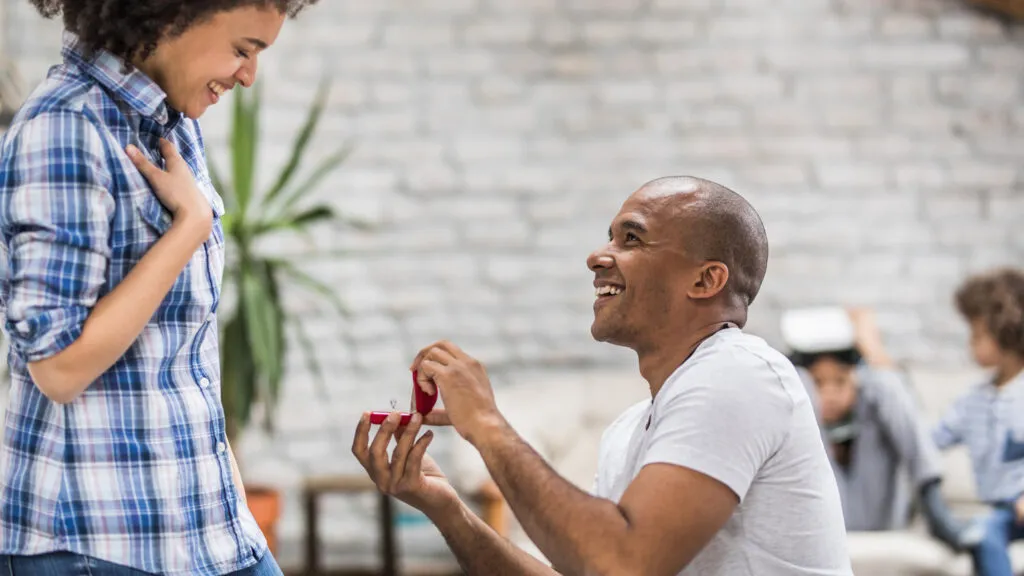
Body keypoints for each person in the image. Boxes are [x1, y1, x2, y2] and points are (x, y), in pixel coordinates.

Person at [353, 176, 853, 575]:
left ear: (706, 280)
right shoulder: (629, 431)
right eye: (610, 236)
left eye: (631, 238)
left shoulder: (740, 373)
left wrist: (485, 423)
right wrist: (446, 508)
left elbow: (622, 564)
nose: (598, 256)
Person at [0, 1, 317, 575]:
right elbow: (58, 366)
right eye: (242, 49)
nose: (248, 75)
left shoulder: (169, 124)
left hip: (204, 529)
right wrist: (188, 229)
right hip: (101, 544)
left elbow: (178, 358)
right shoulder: (67, 127)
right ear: (168, 19)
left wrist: (233, 512)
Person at [784, 307, 976, 548]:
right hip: (825, 520)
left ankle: (934, 505)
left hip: (880, 514)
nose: (830, 394)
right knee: (797, 380)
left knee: (886, 382)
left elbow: (893, 395)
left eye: (839, 381)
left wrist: (870, 348)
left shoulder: (871, 398)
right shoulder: (801, 399)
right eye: (820, 383)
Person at [932, 268, 1024, 576]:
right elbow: (932, 440)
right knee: (984, 534)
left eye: (977, 335)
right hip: (1004, 513)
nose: (971, 344)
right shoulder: (972, 401)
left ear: (1007, 331)